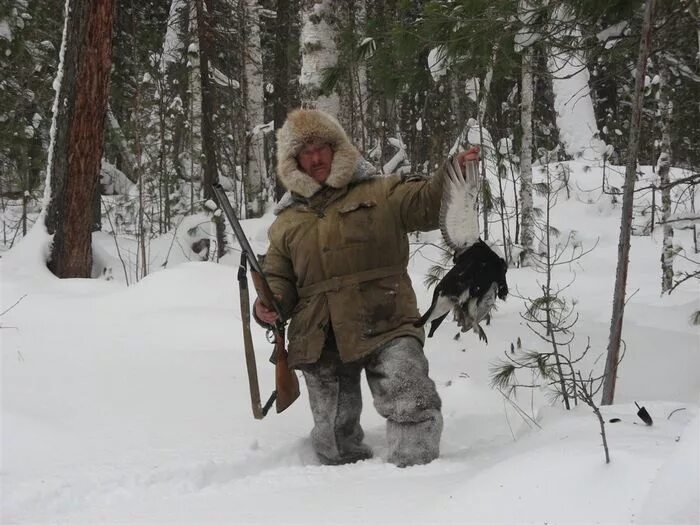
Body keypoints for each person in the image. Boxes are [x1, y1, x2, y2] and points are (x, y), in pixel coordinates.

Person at [254, 108, 477, 467]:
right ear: (293, 161)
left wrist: (452, 173)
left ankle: (420, 480)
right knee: (331, 431)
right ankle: (340, 490)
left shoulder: (382, 191)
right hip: (321, 332)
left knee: (409, 397)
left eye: (320, 147)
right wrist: (269, 303)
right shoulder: (286, 223)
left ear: (336, 148)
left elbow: (425, 202)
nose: (314, 158)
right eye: (304, 152)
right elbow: (279, 277)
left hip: (385, 315)